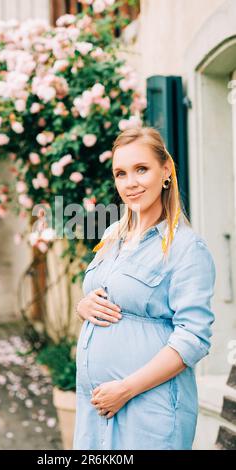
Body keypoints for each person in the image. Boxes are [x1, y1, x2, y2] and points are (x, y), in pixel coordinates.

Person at [73, 126, 216, 450]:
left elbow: (193, 338)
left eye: (141, 169)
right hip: (95, 410)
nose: (130, 182)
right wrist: (83, 306)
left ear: (165, 171)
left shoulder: (187, 248)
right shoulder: (112, 234)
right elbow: (103, 293)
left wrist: (125, 388)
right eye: (121, 173)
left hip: (149, 409)